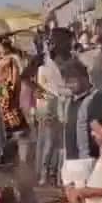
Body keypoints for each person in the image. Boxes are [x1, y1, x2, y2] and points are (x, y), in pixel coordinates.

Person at [36, 28, 77, 184]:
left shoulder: (69, 61)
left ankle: (57, 175)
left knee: (61, 144)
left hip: (64, 107)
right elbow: (49, 90)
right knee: (50, 143)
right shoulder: (45, 68)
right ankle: (45, 174)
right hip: (51, 109)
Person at [63, 59, 102, 162]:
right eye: (67, 82)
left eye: (73, 81)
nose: (70, 86)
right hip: (70, 162)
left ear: (84, 78)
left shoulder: (98, 99)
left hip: (90, 161)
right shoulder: (69, 101)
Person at [0, 40, 27, 135]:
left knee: (9, 106)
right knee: (8, 107)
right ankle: (12, 126)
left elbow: (15, 74)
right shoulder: (8, 59)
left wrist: (13, 86)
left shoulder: (11, 59)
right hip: (4, 87)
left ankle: (13, 126)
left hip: (5, 87)